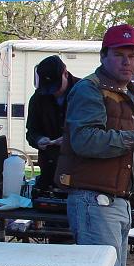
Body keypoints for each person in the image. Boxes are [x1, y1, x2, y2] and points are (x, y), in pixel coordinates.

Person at [54, 23, 134, 266]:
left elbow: (125, 157)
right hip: (94, 201)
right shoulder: (89, 90)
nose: (127, 62)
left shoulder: (128, 92)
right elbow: (85, 140)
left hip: (115, 201)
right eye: (119, 55)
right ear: (103, 56)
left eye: (133, 56)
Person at [25, 55, 80, 190]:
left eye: (56, 86)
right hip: (49, 167)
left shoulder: (84, 92)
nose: (53, 92)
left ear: (65, 74)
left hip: (79, 169)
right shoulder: (38, 98)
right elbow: (31, 131)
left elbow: (96, 131)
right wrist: (38, 140)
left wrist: (70, 139)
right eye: (48, 88)